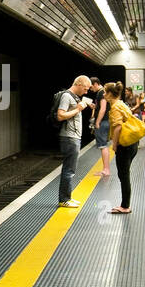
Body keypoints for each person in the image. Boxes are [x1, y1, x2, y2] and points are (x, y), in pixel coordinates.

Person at [55, 75, 93, 208]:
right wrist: (78, 109)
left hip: (73, 136)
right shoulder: (67, 96)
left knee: (70, 169)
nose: (86, 92)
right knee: (69, 169)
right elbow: (60, 115)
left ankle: (67, 198)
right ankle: (64, 199)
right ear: (79, 84)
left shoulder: (73, 97)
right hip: (69, 137)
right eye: (85, 89)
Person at [104, 82, 139, 214]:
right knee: (124, 174)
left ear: (109, 94)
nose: (104, 94)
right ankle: (125, 204)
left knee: (123, 175)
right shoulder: (122, 104)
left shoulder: (115, 108)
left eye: (105, 92)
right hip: (132, 143)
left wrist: (114, 144)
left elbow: (118, 127)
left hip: (124, 145)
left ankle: (125, 206)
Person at [90, 77, 112, 178]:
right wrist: (95, 107)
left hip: (102, 122)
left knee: (103, 146)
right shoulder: (103, 92)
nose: (90, 89)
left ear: (95, 84)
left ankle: (106, 170)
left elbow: (103, 109)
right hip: (105, 121)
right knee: (103, 145)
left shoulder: (101, 92)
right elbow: (102, 107)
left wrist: (97, 122)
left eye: (91, 87)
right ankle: (106, 169)